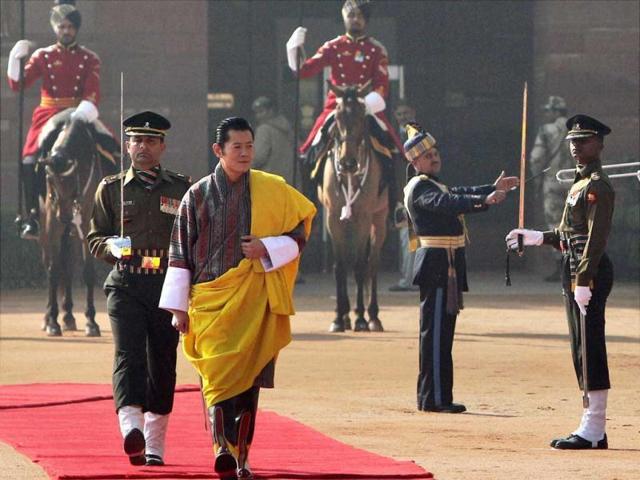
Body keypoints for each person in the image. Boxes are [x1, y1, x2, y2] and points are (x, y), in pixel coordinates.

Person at [159, 117, 316, 479]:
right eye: (237, 147)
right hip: (210, 301)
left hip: (255, 299)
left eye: (249, 146)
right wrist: (178, 309)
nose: (245, 153)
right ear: (219, 150)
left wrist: (268, 247)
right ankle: (221, 449)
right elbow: (179, 253)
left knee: (249, 381)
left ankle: (242, 455)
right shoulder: (196, 196)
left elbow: (302, 226)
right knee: (215, 377)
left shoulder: (271, 189)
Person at [87, 111, 191, 466]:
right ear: (127, 145)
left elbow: (193, 237)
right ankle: (130, 427)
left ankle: (155, 443)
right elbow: (94, 237)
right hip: (126, 282)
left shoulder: (182, 188)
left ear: (162, 146)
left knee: (162, 361)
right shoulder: (111, 188)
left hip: (166, 284)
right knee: (128, 354)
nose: (142, 147)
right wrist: (109, 247)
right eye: (136, 140)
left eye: (150, 141)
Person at [506, 114, 614, 450]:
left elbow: (595, 239)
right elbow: (569, 234)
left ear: (599, 144)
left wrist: (584, 278)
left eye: (583, 141)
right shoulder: (579, 184)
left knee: (590, 346)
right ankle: (590, 424)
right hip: (574, 268)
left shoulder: (597, 186)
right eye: (572, 142)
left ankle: (594, 428)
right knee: (579, 348)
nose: (576, 147)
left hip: (588, 271)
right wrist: (538, 237)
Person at [403, 123, 518, 413]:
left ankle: (437, 396)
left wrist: (493, 189)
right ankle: (434, 398)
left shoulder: (432, 183)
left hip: (446, 263)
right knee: (436, 334)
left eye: (435, 152)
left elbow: (457, 192)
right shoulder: (420, 188)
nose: (434, 157)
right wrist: (483, 200)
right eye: (427, 155)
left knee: (442, 333)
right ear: (415, 162)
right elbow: (447, 202)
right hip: (437, 264)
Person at [286, 0, 403, 205]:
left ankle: (396, 205)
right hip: (337, 107)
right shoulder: (333, 46)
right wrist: (293, 49)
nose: (355, 20)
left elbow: (382, 85)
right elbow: (305, 71)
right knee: (308, 151)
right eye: (351, 16)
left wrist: (367, 103)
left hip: (366, 106)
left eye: (359, 16)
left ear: (366, 20)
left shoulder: (377, 50)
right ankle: (308, 203)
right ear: (344, 18)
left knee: (392, 148)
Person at [7, 1, 101, 239]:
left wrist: (82, 113)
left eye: (69, 26)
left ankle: (108, 213)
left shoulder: (89, 58)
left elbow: (93, 91)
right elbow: (19, 84)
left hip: (80, 113)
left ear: (76, 29)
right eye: (61, 26)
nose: (65, 31)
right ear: (55, 28)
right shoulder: (43, 56)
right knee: (29, 158)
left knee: (111, 148)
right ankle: (32, 217)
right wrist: (15, 59)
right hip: (47, 114)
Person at [529, 96, 573, 281]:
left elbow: (536, 158)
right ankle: (577, 265)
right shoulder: (576, 129)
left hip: (553, 182)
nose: (547, 114)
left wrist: (536, 180)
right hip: (575, 183)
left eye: (548, 111)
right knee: (576, 225)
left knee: (556, 225)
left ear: (555, 112)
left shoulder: (546, 130)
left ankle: (561, 266)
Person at [389, 100, 418, 292]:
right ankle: (409, 278)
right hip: (400, 194)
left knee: (410, 237)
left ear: (413, 112)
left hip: (417, 193)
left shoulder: (419, 134)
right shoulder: (391, 137)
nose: (403, 117)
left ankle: (410, 280)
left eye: (406, 113)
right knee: (406, 237)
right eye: (399, 114)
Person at [251, 96, 294, 184]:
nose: (258, 116)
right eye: (256, 113)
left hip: (270, 182)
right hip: (289, 182)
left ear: (271, 111)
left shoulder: (264, 130)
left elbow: (258, 157)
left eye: (261, 112)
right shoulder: (288, 127)